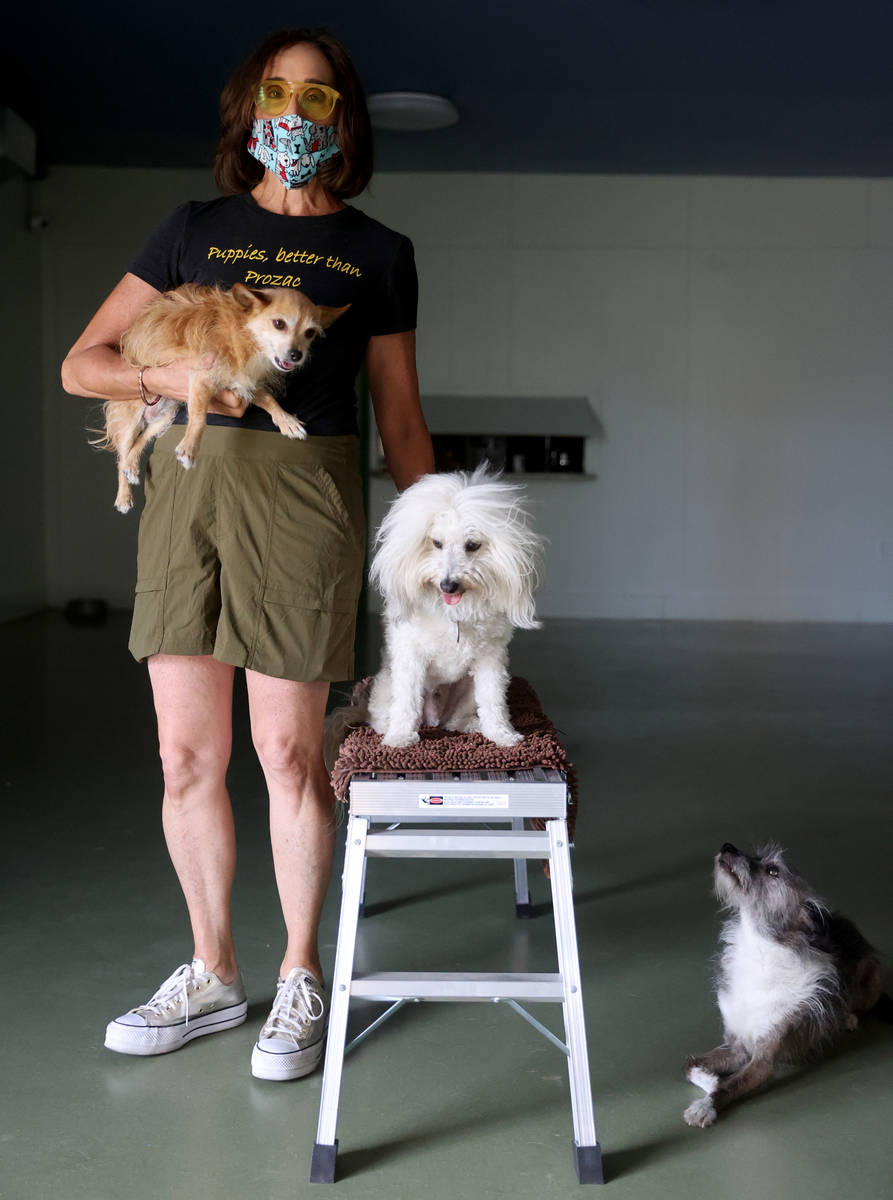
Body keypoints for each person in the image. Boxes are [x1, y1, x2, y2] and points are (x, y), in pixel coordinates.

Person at [61, 26, 434, 1081]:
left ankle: (302, 975)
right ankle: (213, 971)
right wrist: (167, 385)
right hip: (187, 501)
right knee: (187, 757)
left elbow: (401, 419)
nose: (293, 116)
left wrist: (442, 556)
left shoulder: (378, 253)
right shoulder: (193, 230)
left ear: (342, 120)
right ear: (248, 110)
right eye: (277, 94)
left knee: (287, 756)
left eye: (316, 100)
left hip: (305, 501)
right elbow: (80, 365)